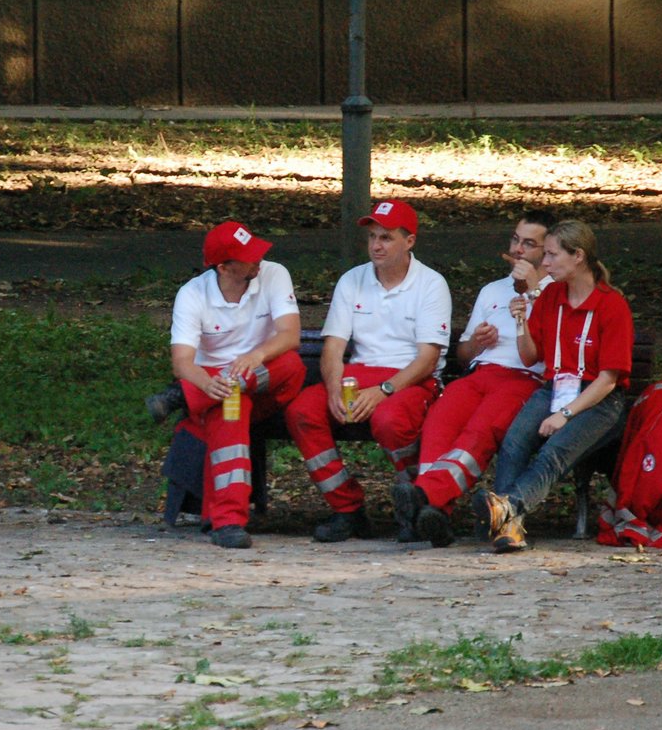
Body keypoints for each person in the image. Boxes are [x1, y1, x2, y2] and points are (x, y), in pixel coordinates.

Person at [285, 199, 452, 542]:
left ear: (409, 242)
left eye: (387, 238)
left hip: (408, 379)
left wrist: (384, 391)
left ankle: (417, 502)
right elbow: (333, 346)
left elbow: (427, 359)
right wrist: (333, 389)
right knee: (303, 411)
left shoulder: (431, 284)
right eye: (373, 237)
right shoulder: (353, 280)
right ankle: (347, 508)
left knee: (389, 420)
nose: (376, 245)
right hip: (358, 374)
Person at [391, 209, 556, 547]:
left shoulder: (557, 291)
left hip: (525, 378)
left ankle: (425, 497)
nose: (519, 250)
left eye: (529, 244)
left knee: (481, 428)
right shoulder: (492, 291)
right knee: (440, 418)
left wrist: (535, 289)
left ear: (547, 251)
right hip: (480, 372)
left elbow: (554, 349)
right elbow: (463, 354)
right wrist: (476, 342)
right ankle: (435, 515)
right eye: (515, 240)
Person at [481, 219, 634, 552]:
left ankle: (505, 510)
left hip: (597, 400)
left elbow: (608, 380)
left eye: (551, 256)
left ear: (577, 256)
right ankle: (509, 527)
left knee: (552, 454)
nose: (545, 263)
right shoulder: (551, 295)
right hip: (556, 387)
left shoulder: (611, 305)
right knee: (514, 442)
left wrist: (565, 413)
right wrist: (521, 321)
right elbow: (528, 356)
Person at [170, 220, 304, 549]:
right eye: (248, 256)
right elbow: (183, 362)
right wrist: (207, 383)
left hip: (268, 380)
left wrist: (256, 356)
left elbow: (291, 335)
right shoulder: (191, 294)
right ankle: (228, 522)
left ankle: (185, 399)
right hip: (219, 390)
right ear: (224, 267)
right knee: (231, 412)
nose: (259, 259)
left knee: (292, 364)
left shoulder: (274, 273)